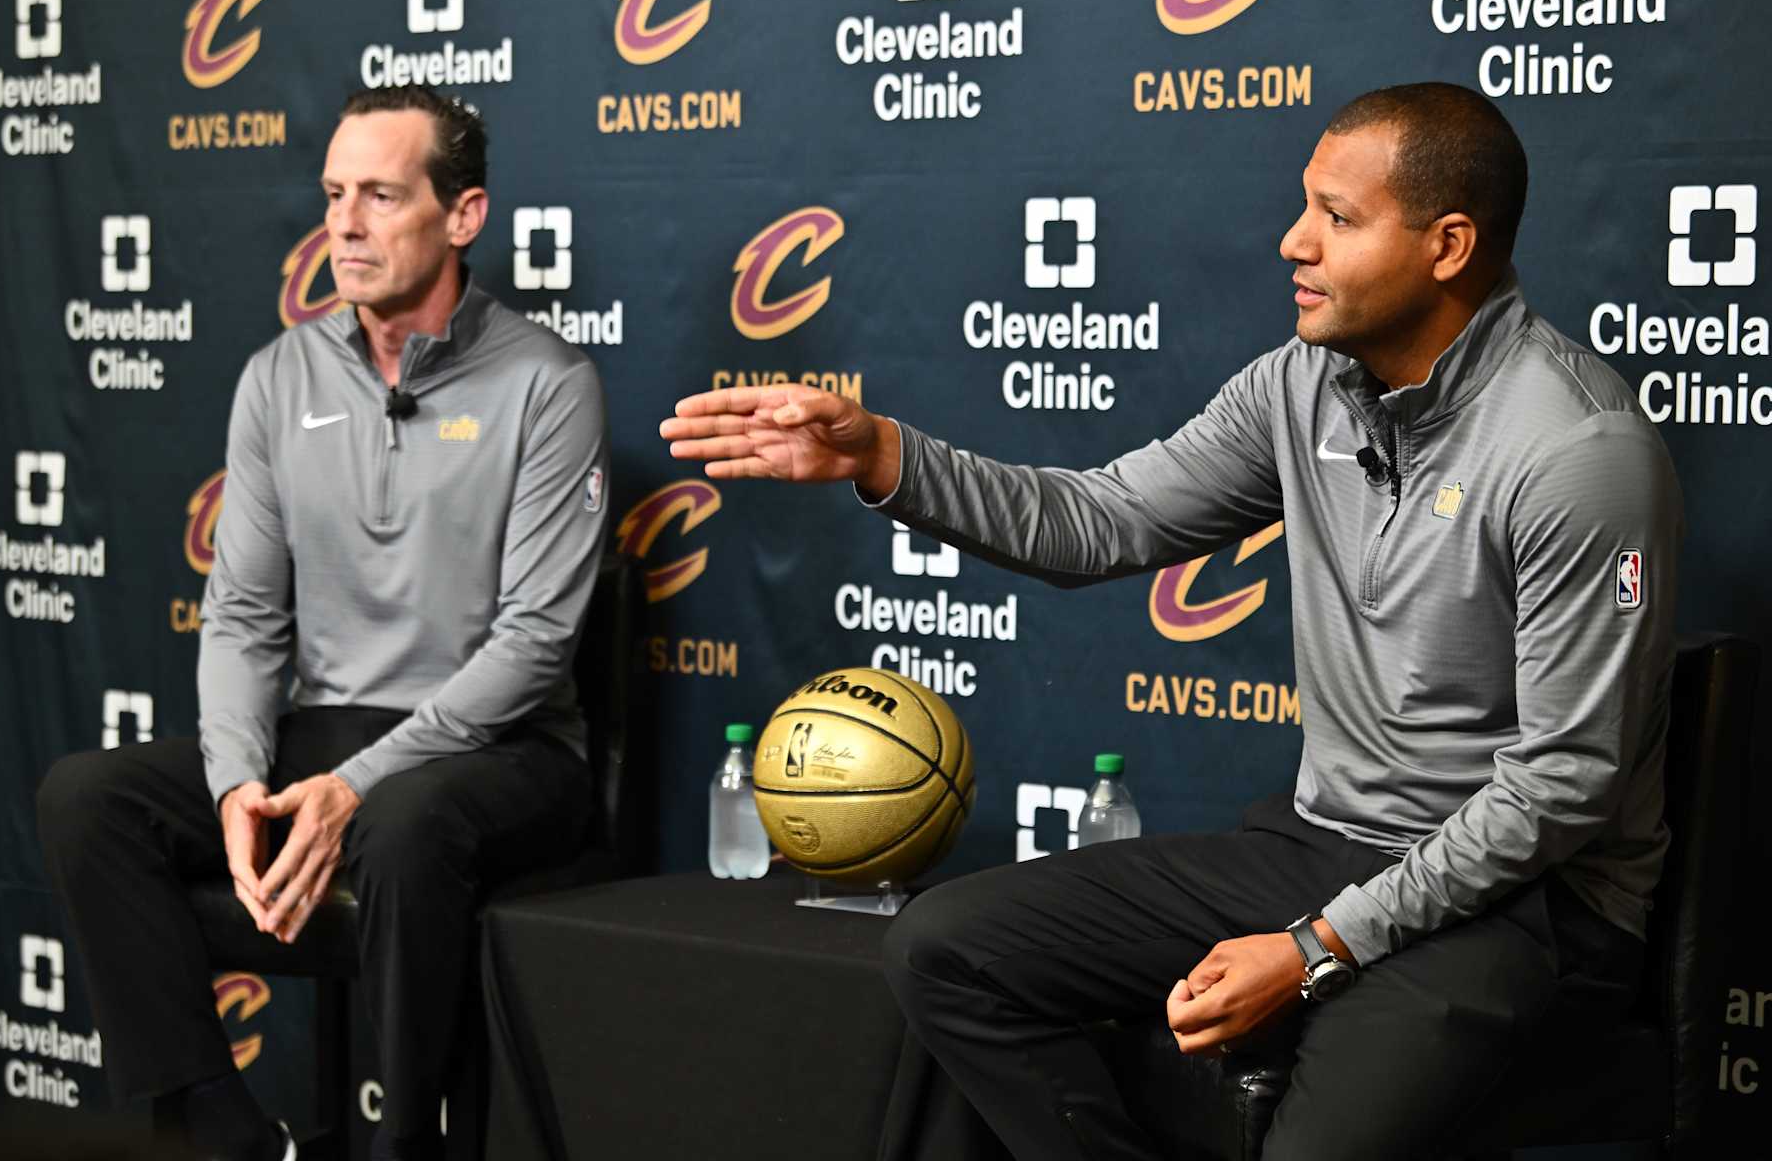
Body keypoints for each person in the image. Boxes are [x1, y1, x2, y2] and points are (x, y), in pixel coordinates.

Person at [660, 82, 1680, 1160]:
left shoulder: (1578, 450)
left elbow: (1562, 787)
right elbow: (1100, 520)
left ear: (1448, 245)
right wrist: (883, 457)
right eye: (1306, 207)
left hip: (1528, 903)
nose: (1294, 242)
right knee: (947, 950)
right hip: (1327, 844)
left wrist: (1315, 948)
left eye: (1338, 218)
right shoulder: (1303, 386)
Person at [37, 86, 609, 1161]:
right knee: (90, 800)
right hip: (329, 732)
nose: (343, 224)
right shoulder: (277, 377)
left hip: (506, 751)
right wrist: (237, 783)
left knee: (404, 823)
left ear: (465, 215)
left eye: (381, 196)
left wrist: (357, 787)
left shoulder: (549, 382)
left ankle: (398, 1148)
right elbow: (245, 613)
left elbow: (535, 644)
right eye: (335, 194)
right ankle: (229, 1136)